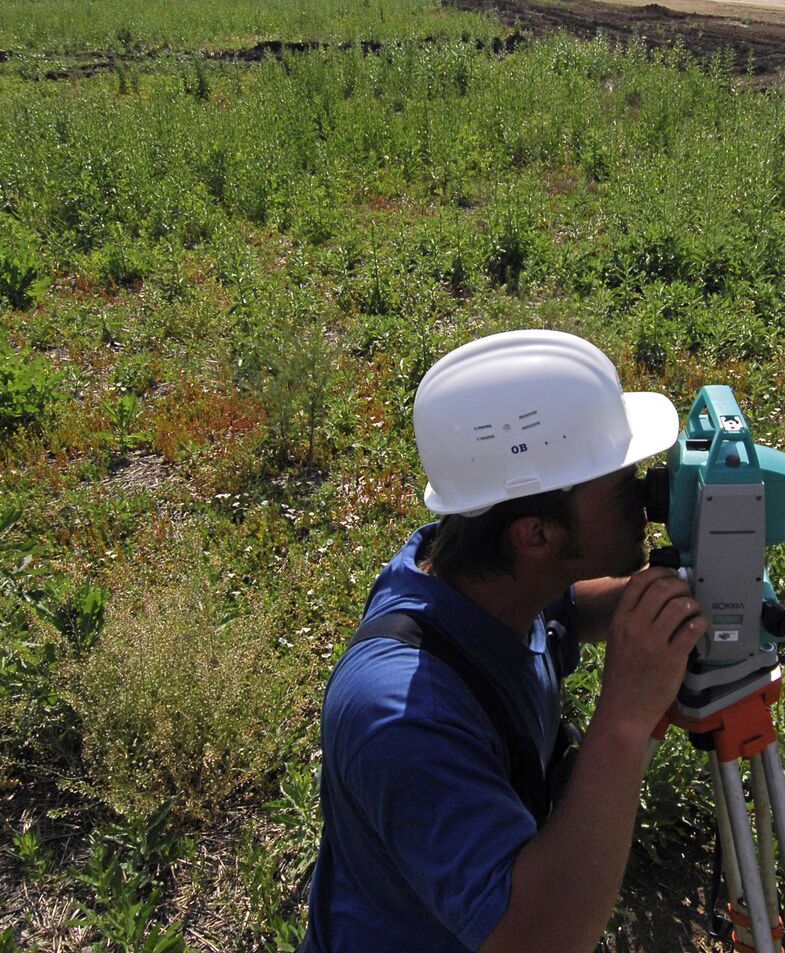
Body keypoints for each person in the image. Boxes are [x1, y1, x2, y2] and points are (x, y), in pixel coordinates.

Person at [301, 329, 707, 953]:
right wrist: (625, 715)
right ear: (536, 535)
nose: (647, 499)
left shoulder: (479, 577)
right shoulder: (402, 721)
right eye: (624, 485)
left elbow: (567, 608)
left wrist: (674, 597)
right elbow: (539, 939)